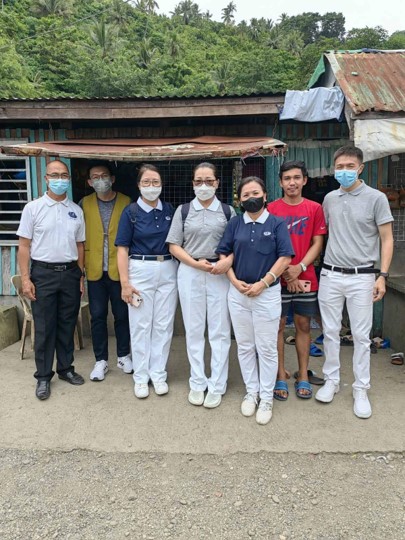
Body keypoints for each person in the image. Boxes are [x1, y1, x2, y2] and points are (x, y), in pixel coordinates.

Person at [315, 145, 394, 419]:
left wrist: (382, 276)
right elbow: (322, 236)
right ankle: (332, 380)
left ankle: (361, 388)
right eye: (340, 166)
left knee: (361, 336)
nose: (344, 171)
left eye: (350, 166)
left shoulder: (376, 198)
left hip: (363, 276)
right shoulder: (329, 199)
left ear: (360, 168)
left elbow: (387, 238)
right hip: (331, 274)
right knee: (330, 331)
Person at [216, 176, 294, 425]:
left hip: (266, 294)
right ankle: (252, 392)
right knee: (246, 346)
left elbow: (285, 258)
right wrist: (233, 280)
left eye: (256, 193)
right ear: (239, 200)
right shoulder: (235, 223)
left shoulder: (277, 223)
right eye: (246, 195)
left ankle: (267, 398)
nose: (252, 198)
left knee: (267, 348)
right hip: (238, 293)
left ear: (265, 195)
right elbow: (224, 253)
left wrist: (264, 282)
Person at [167, 162, 236, 409]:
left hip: (219, 273)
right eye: (198, 181)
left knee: (219, 331)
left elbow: (236, 245)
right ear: (193, 183)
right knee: (194, 330)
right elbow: (174, 245)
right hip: (190, 272)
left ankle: (217, 383)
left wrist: (225, 263)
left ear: (217, 183)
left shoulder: (228, 211)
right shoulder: (183, 211)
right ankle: (197, 381)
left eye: (209, 180)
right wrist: (196, 264)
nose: (204, 185)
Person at [16, 160, 86, 400]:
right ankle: (44, 376)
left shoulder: (75, 210)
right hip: (43, 274)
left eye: (64, 175)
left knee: (67, 324)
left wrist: (80, 275)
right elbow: (24, 246)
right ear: (46, 179)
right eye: (54, 175)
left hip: (70, 273)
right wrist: (26, 279)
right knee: (45, 327)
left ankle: (66, 369)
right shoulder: (33, 208)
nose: (60, 179)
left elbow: (80, 245)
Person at [116, 164, 178, 399]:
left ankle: (158, 374)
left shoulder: (169, 210)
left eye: (155, 182)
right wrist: (125, 282)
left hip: (168, 268)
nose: (151, 187)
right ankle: (141, 377)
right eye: (146, 182)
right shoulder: (130, 212)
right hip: (140, 269)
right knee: (141, 325)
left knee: (163, 324)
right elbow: (122, 249)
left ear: (161, 185)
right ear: (138, 185)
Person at [267, 160, 326, 400]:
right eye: (287, 178)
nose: (292, 182)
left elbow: (318, 243)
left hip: (306, 277)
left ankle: (303, 374)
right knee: (278, 327)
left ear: (304, 180)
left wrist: (299, 267)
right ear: (280, 182)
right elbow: (267, 244)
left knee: (303, 325)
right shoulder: (271, 209)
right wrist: (285, 272)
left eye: (296, 178)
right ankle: (280, 374)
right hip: (276, 277)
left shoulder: (314, 208)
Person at [80, 163, 132, 382]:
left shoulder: (127, 202)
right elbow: (78, 239)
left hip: (119, 270)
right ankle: (100, 360)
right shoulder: (83, 203)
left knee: (122, 315)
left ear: (112, 178)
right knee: (98, 316)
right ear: (90, 182)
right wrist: (79, 270)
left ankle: (123, 355)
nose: (100, 180)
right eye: (95, 177)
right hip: (94, 270)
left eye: (104, 176)